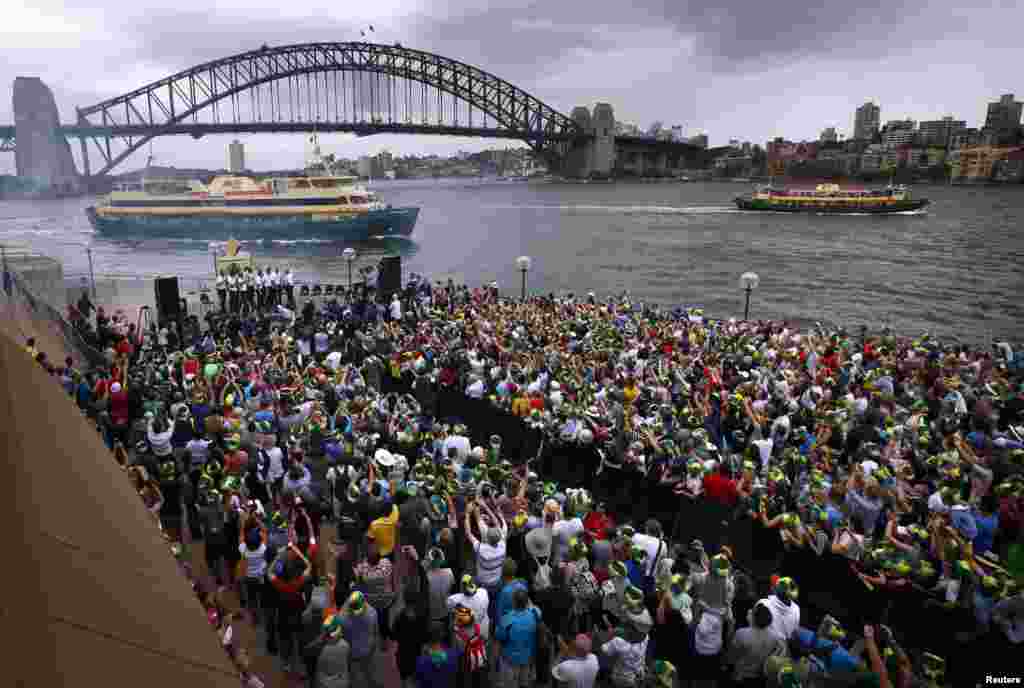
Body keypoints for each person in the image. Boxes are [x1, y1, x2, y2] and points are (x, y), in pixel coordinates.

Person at [725, 601, 787, 687]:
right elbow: (783, 648)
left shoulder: (742, 634)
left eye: (752, 611)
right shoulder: (775, 636)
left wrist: (730, 626)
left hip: (742, 676)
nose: (750, 611)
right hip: (760, 677)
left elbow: (731, 656)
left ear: (754, 618)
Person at [495, 588, 540, 688]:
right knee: (524, 683)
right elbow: (536, 610)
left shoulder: (507, 619)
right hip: (528, 657)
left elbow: (499, 636)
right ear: (526, 602)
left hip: (510, 659)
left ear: (514, 602)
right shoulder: (534, 614)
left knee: (511, 683)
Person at [415, 622, 461, 688]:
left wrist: (427, 653)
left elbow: (418, 682)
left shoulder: (421, 661)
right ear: (443, 634)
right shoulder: (454, 655)